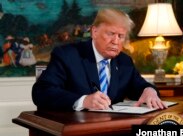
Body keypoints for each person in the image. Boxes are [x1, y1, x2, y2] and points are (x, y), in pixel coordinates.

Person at [32, 8, 166, 111]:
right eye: (111, 34)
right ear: (94, 32)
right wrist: (83, 101)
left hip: (113, 130)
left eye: (121, 36)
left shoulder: (124, 62)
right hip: (75, 130)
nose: (115, 41)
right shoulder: (67, 55)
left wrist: (150, 91)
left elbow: (140, 86)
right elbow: (42, 92)